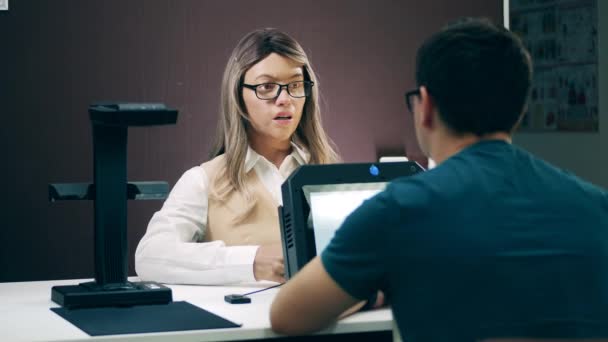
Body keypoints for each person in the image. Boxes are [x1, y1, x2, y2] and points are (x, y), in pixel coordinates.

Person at [270, 18, 608, 341]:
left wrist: (373, 290)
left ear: (425, 105)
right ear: (519, 108)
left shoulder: (398, 210)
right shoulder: (598, 206)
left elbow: (287, 314)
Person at [135, 28, 339, 285]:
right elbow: (150, 256)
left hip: (330, 323)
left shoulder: (330, 175)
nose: (285, 99)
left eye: (295, 85)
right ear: (238, 97)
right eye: (267, 87)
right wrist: (252, 262)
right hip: (241, 324)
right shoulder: (202, 181)